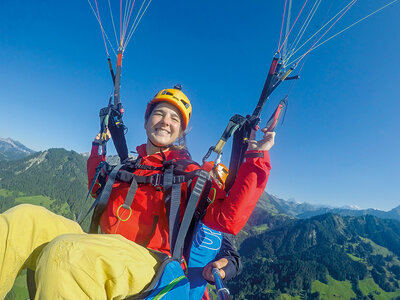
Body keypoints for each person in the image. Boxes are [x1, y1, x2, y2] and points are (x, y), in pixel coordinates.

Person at [0, 86, 274, 299]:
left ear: (181, 131)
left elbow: (228, 219)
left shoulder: (193, 175)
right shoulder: (129, 166)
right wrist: (97, 148)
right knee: (23, 220)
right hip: (101, 249)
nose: (166, 121)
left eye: (175, 118)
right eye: (160, 113)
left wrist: (257, 158)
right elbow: (97, 187)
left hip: (153, 264)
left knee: (68, 254)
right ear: (145, 121)